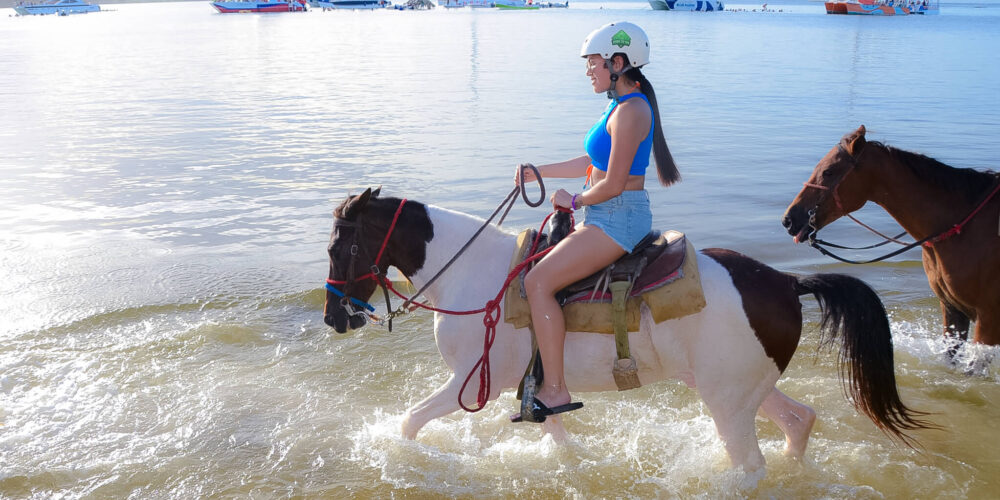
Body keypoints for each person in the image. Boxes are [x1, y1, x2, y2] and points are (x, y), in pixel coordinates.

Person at [513, 21, 680, 422]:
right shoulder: (619, 106)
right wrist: (540, 171)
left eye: (593, 63)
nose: (588, 71)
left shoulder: (632, 111)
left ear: (618, 62)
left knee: (537, 283)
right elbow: (593, 162)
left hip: (617, 220)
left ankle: (554, 390)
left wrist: (574, 199)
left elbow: (615, 182)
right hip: (608, 213)